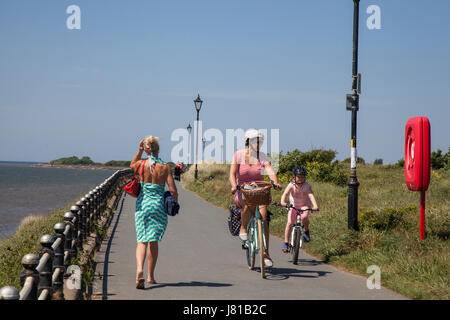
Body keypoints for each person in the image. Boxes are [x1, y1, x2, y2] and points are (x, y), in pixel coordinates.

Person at [130, 135, 178, 289]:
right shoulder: (165, 167)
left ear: (145, 149)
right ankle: (150, 276)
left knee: (141, 240)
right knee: (153, 240)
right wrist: (174, 202)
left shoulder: (141, 164)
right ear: (158, 149)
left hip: (142, 205)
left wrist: (139, 152)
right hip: (157, 205)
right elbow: (172, 189)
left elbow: (132, 165)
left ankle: (139, 270)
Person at [229, 129, 281, 267]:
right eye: (256, 141)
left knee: (264, 220)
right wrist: (234, 186)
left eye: (260, 142)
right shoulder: (238, 155)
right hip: (243, 190)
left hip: (260, 190)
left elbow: (270, 171)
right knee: (249, 204)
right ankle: (243, 227)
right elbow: (232, 174)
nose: (259, 144)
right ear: (249, 142)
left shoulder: (262, 156)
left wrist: (275, 182)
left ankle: (266, 254)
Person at [280, 166, 319, 253]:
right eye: (299, 177)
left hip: (304, 205)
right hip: (293, 206)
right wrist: (282, 202)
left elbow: (311, 195)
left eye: (303, 177)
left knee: (304, 217)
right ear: (294, 177)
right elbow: (285, 194)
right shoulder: (291, 185)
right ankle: (286, 243)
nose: (301, 179)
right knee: (290, 223)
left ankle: (306, 230)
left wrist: (315, 206)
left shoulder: (306, 186)